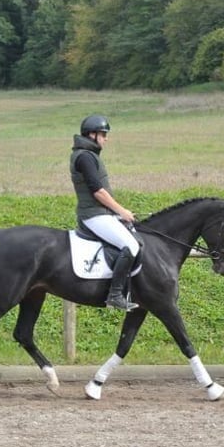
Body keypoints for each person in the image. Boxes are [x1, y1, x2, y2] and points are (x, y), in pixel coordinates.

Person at [69, 114, 140, 311]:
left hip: (101, 213)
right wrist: (121, 211)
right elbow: (98, 191)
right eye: (103, 134)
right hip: (93, 215)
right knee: (130, 245)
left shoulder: (88, 155)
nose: (105, 138)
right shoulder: (84, 157)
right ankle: (115, 295)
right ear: (92, 135)